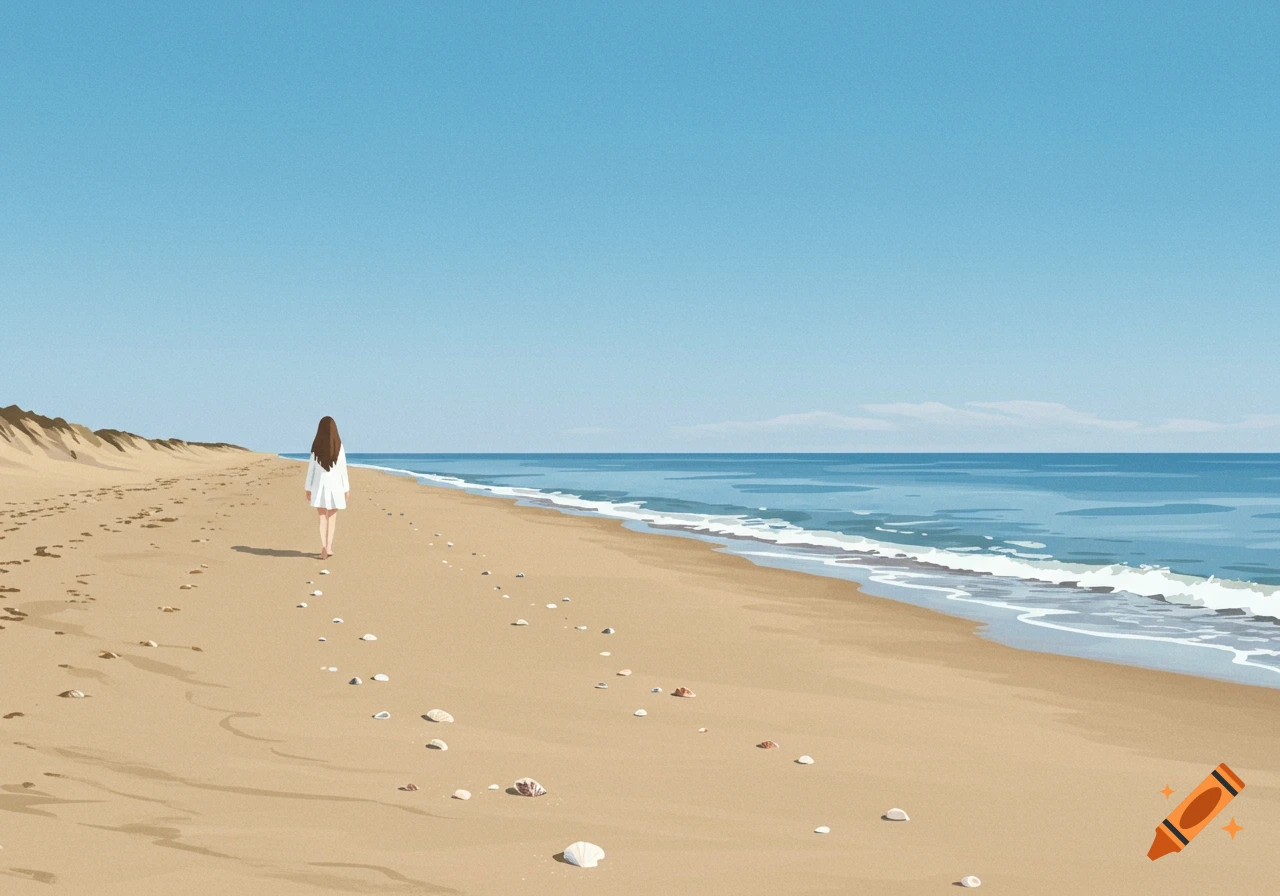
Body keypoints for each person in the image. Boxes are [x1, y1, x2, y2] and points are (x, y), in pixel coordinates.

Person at [304, 416, 349, 560]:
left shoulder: (316, 447)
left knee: (322, 517)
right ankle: (329, 547)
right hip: (336, 485)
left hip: (319, 484)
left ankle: (323, 546)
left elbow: (311, 470)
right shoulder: (340, 447)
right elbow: (343, 469)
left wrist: (308, 488)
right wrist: (346, 488)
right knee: (332, 518)